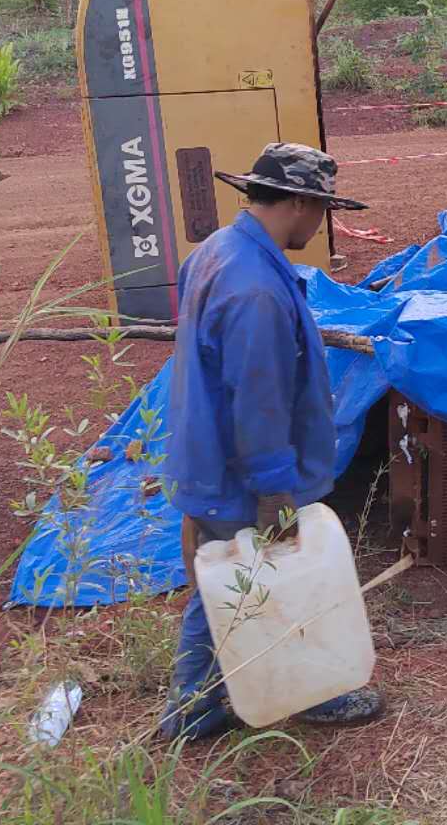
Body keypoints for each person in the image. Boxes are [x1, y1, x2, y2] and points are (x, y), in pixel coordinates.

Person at [159, 142, 382, 742]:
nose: (322, 221)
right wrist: (274, 489)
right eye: (322, 208)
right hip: (239, 467)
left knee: (226, 583)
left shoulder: (217, 251)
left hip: (208, 455)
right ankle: (227, 703)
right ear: (302, 203)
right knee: (252, 580)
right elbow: (257, 404)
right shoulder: (255, 288)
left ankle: (198, 706)